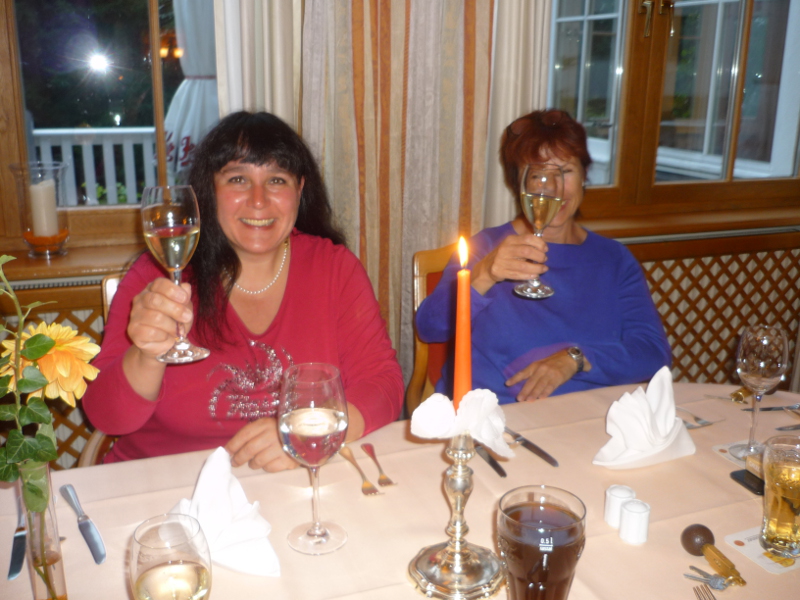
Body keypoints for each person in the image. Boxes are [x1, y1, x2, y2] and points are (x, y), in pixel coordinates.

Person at [83, 111, 404, 470]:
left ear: (299, 190)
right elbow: (106, 416)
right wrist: (147, 355)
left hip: (293, 485)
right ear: (210, 190)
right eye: (238, 179)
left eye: (277, 180)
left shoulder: (334, 268)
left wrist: (308, 432)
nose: (258, 199)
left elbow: (384, 384)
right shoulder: (157, 276)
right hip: (167, 486)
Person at [416, 109, 671, 404]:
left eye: (565, 171)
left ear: (584, 176)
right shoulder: (485, 248)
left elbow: (653, 352)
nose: (552, 188)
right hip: (494, 415)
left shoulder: (614, 259)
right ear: (519, 184)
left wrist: (575, 358)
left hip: (588, 415)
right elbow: (430, 328)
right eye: (538, 174)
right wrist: (484, 274)